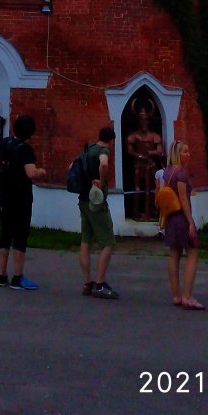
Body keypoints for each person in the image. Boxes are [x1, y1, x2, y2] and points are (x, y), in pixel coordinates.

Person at [0, 114, 47, 291]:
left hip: (5, 194)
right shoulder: (25, 150)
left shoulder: (5, 143)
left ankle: (1, 276)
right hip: (21, 197)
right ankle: (17, 277)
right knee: (20, 236)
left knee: (5, 234)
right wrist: (41, 171)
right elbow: (30, 173)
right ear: (30, 132)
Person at [162, 141, 205, 310]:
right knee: (193, 252)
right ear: (178, 154)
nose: (189, 154)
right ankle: (187, 295)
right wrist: (191, 223)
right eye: (185, 151)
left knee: (174, 254)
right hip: (181, 218)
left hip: (171, 217)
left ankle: (176, 295)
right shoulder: (181, 173)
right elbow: (183, 199)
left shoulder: (166, 172)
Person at [79, 126, 119, 299]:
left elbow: (72, 166)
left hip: (83, 200)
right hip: (96, 202)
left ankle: (87, 283)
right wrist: (101, 182)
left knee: (86, 240)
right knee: (108, 242)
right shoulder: (103, 151)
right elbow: (104, 163)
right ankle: (100, 284)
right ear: (111, 140)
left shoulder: (89, 150)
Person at [125, 102, 163, 220]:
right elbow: (130, 151)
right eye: (141, 120)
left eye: (145, 120)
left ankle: (151, 211)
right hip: (138, 165)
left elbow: (159, 151)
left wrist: (150, 153)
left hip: (150, 165)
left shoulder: (154, 136)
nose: (143, 122)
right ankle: (135, 212)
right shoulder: (133, 136)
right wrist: (140, 156)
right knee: (136, 188)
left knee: (151, 189)